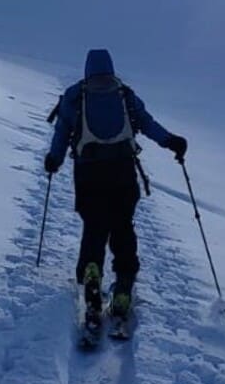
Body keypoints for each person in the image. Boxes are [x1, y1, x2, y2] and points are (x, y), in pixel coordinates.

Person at [44, 48, 187, 328]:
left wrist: (54, 160)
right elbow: (146, 124)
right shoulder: (124, 94)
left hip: (88, 173)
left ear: (87, 69)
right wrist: (171, 141)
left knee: (94, 227)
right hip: (122, 171)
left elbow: (62, 132)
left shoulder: (75, 95)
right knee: (122, 226)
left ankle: (91, 276)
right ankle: (123, 285)